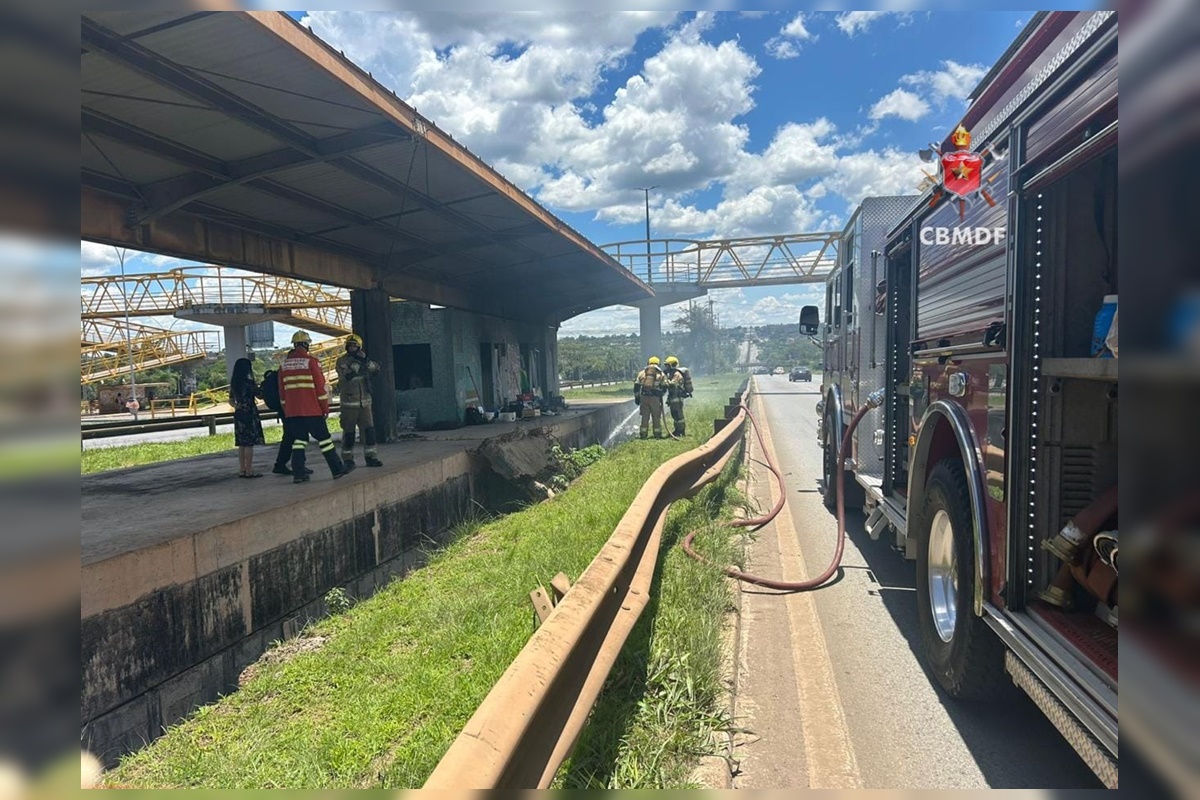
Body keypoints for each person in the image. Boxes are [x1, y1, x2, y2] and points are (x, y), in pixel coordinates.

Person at [278, 331, 355, 483]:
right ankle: (337, 469)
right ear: (307, 344)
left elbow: (282, 393)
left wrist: (287, 411)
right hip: (312, 410)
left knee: (299, 441)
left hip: (293, 412)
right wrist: (324, 408)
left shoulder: (283, 365)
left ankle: (298, 474)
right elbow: (320, 389)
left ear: (294, 344)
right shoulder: (311, 362)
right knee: (325, 440)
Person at [335, 333, 383, 468]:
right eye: (350, 345)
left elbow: (376, 370)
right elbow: (349, 375)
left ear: (359, 346)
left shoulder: (363, 359)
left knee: (369, 432)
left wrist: (366, 361)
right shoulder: (342, 361)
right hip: (349, 403)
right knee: (349, 434)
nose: (352, 348)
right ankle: (348, 459)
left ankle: (371, 457)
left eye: (354, 345)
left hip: (365, 403)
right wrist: (357, 361)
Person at [229, 357, 265, 478]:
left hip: (239, 413)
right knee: (249, 443)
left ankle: (242, 469)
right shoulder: (249, 384)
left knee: (241, 444)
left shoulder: (234, 384)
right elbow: (259, 396)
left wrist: (237, 405)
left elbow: (230, 400)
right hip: (250, 413)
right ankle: (249, 470)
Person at [633, 356, 667, 439]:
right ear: (658, 364)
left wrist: (637, 398)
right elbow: (665, 386)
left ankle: (643, 435)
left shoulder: (642, 373)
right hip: (655, 398)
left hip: (644, 397)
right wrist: (660, 393)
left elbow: (636, 386)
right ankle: (657, 435)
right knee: (656, 416)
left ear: (648, 363)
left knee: (645, 417)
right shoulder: (661, 374)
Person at [662, 355, 694, 437]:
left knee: (678, 415)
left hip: (677, 398)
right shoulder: (672, 374)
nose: (666, 367)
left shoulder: (676, 374)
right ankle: (677, 430)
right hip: (673, 398)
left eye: (667, 365)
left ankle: (681, 431)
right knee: (675, 415)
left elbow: (673, 384)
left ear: (672, 365)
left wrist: (665, 381)